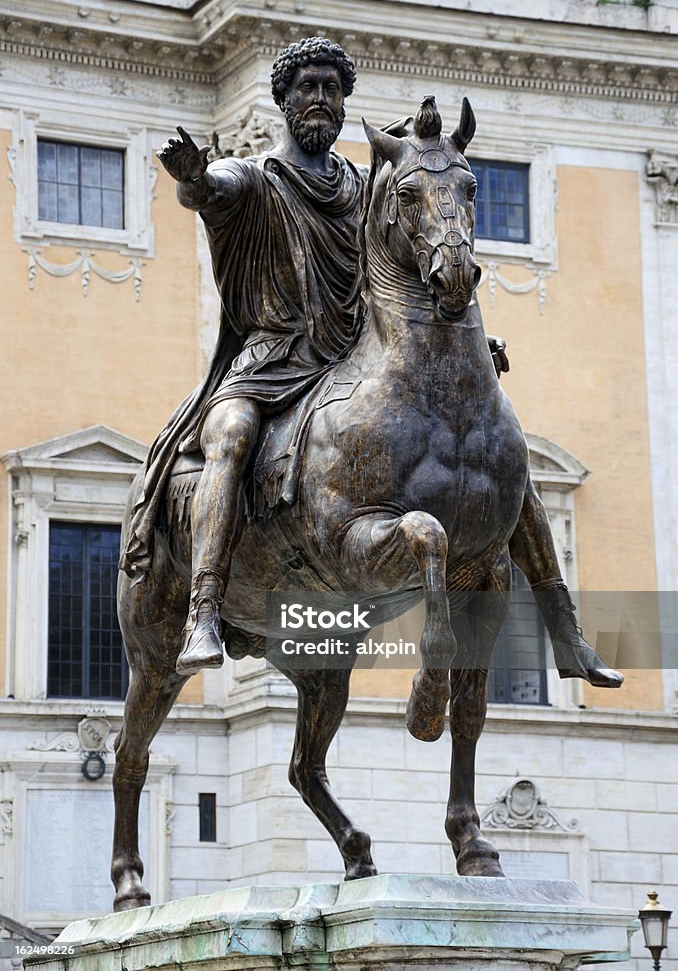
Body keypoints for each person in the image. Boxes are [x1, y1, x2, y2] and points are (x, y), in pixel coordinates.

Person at [120, 36, 621, 689]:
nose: (321, 99)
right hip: (272, 359)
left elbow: (405, 274)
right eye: (309, 87)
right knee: (233, 436)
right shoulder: (259, 176)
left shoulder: (364, 188)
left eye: (332, 87)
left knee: (502, 447)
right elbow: (211, 193)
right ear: (285, 100)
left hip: (356, 357)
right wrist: (193, 177)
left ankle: (564, 624)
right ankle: (206, 609)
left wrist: (463, 344)